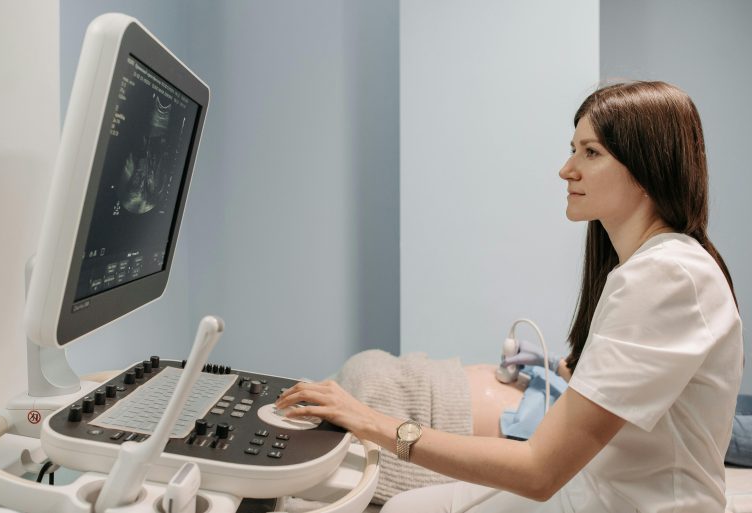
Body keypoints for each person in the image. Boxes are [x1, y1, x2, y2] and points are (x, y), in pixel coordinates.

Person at [276, 81, 744, 513]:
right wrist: (563, 369)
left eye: (591, 152)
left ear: (645, 170)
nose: (566, 169)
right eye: (572, 149)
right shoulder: (652, 268)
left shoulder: (667, 276)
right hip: (594, 489)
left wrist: (372, 422)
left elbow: (539, 471)